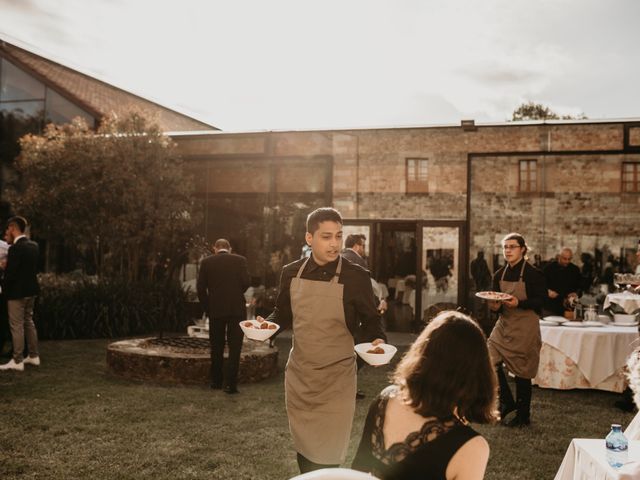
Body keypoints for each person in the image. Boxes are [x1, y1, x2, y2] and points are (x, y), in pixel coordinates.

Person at [261, 207, 386, 473]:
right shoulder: (291, 272)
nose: (334, 244)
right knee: (305, 453)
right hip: (300, 377)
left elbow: (372, 320)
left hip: (337, 378)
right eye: (326, 237)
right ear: (309, 238)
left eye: (338, 236)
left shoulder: (356, 276)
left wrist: (376, 341)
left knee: (329, 455)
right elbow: (282, 314)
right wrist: (265, 327)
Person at [351, 310, 497, 480]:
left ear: (421, 354)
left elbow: (356, 473)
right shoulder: (472, 447)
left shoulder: (385, 400)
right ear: (478, 371)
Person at [486, 233, 545, 427]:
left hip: (526, 326)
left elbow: (541, 300)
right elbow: (495, 303)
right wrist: (495, 307)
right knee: (488, 359)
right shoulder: (498, 274)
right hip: (504, 324)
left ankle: (523, 416)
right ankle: (506, 401)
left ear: (522, 249)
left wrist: (519, 302)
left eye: (512, 247)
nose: (508, 250)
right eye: (505, 247)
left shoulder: (532, 273)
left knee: (523, 371)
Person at [197, 238, 250, 394]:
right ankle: (231, 385)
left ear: (215, 248)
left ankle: (216, 381)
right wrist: (235, 292)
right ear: (230, 249)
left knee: (217, 346)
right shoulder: (240, 260)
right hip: (236, 310)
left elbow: (200, 288)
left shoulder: (207, 262)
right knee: (235, 347)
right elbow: (246, 282)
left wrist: (208, 307)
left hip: (216, 310)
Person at [0, 216, 40, 372]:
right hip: (32, 291)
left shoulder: (15, 249)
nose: (7, 231)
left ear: (12, 228)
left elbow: (11, 275)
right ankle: (33, 355)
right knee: (28, 322)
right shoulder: (34, 246)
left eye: (8, 228)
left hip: (17, 293)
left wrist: (4, 269)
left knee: (16, 326)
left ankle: (17, 360)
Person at [543, 248, 581, 316]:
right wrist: (547, 291)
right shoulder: (548, 268)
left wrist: (576, 293)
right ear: (559, 257)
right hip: (550, 306)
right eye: (564, 259)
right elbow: (540, 285)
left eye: (569, 259)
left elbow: (579, 287)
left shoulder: (575, 270)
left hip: (568, 307)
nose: (567, 261)